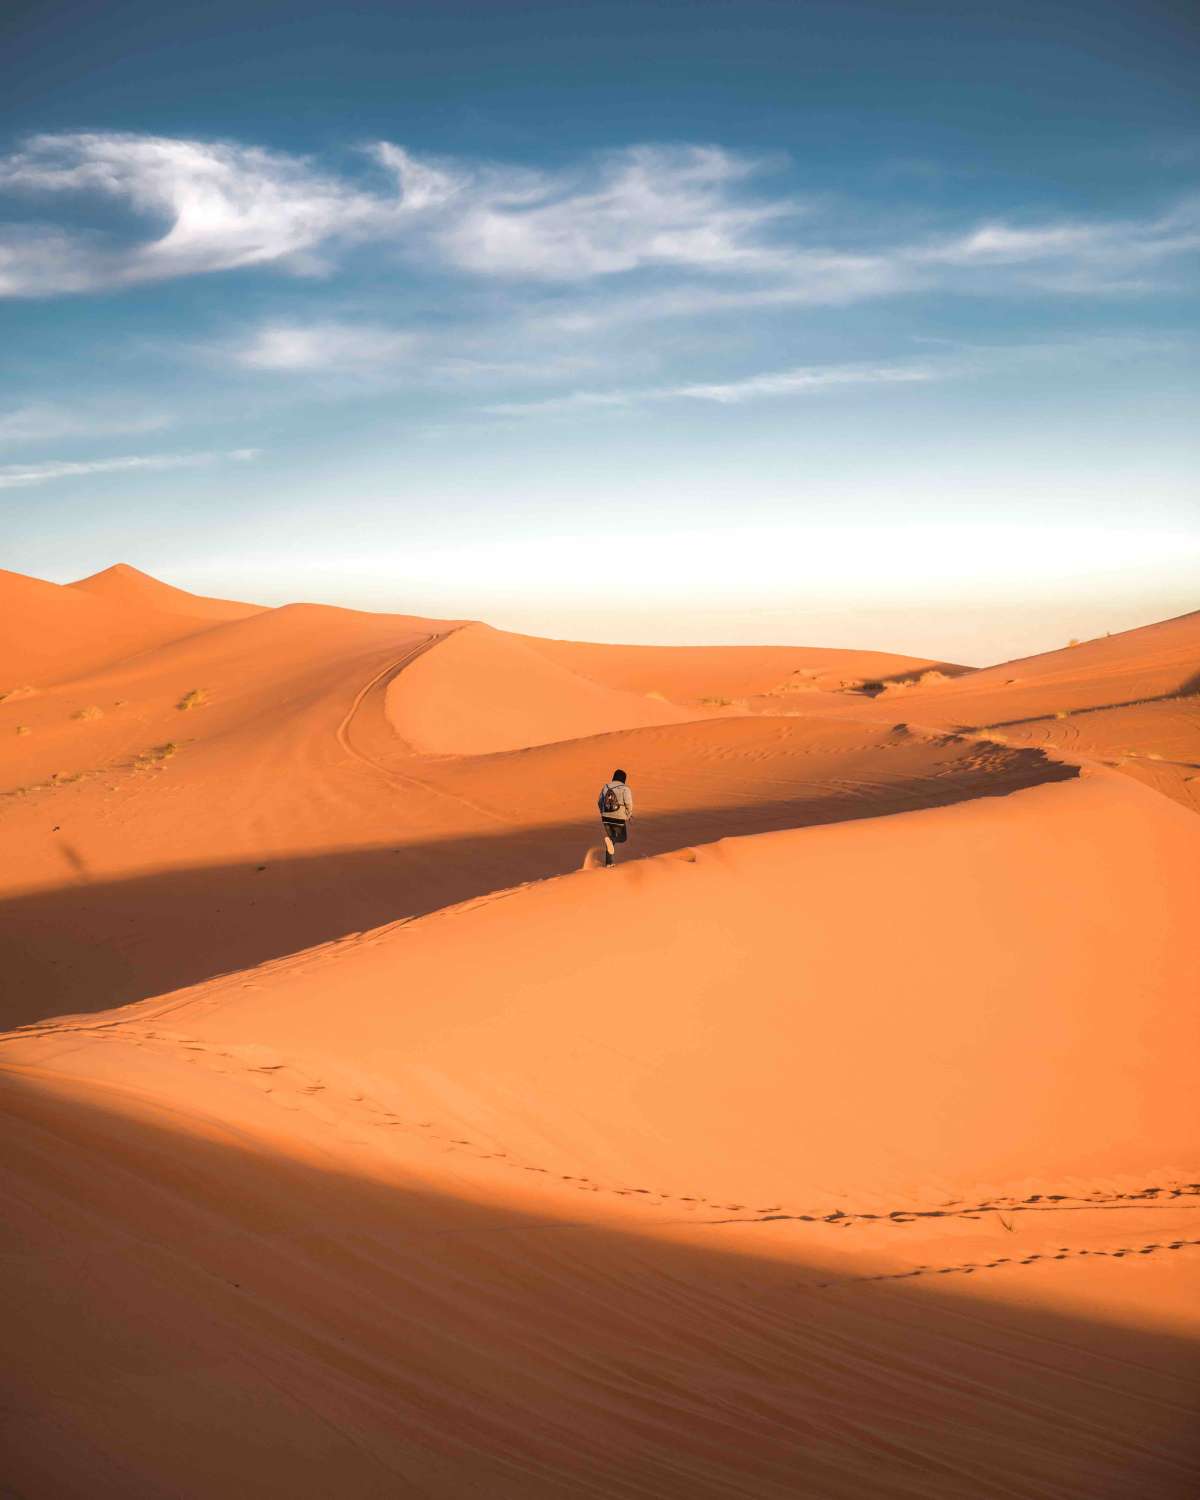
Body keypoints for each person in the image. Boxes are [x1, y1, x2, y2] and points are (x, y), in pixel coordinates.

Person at [597, 768, 633, 867]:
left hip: (606, 818)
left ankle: (609, 863)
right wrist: (628, 815)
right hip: (619, 818)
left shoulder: (606, 787)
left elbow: (599, 802)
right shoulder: (625, 788)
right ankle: (612, 841)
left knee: (610, 841)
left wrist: (603, 812)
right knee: (621, 838)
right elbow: (629, 804)